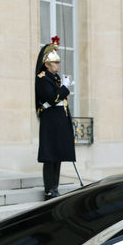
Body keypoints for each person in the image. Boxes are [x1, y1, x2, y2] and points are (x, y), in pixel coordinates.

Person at [35, 36, 75, 200]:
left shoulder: (55, 78)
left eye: (58, 62)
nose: (58, 65)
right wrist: (65, 88)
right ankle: (49, 189)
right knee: (50, 156)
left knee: (57, 155)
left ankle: (55, 186)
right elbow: (52, 99)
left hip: (59, 119)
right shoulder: (43, 78)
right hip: (50, 120)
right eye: (55, 63)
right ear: (46, 64)